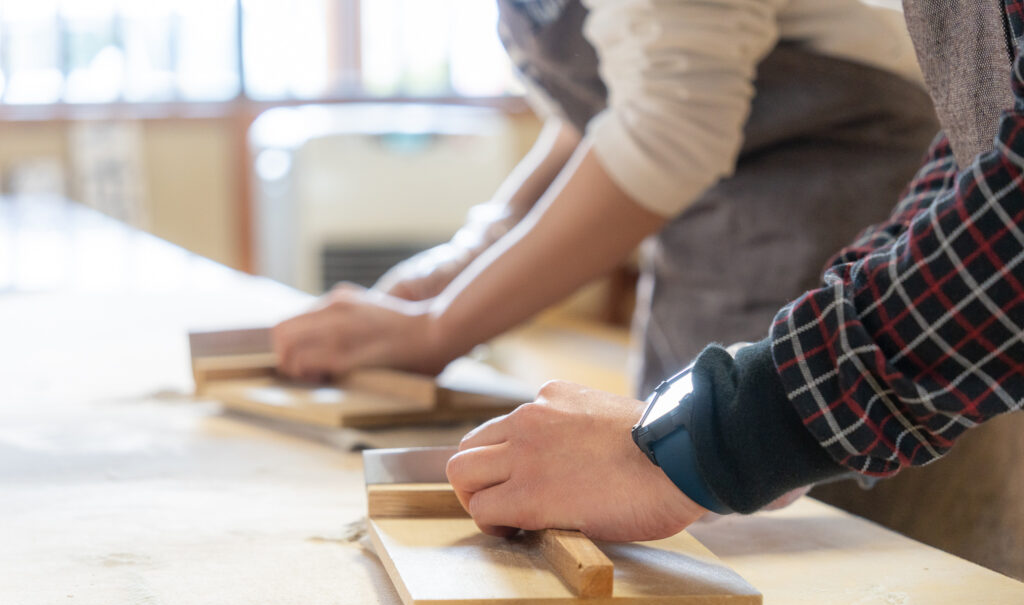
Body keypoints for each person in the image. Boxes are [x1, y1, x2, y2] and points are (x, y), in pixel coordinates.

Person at [444, 0, 1024, 542]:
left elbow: (1010, 230)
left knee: (892, 583)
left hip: (853, 252)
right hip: (793, 289)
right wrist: (725, 416)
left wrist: (729, 432)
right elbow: (968, 158)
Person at [271, 0, 936, 397]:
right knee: (675, 471)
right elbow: (611, 104)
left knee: (806, 502)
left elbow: (670, 124)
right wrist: (475, 248)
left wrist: (440, 328)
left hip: (842, 194)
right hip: (705, 211)